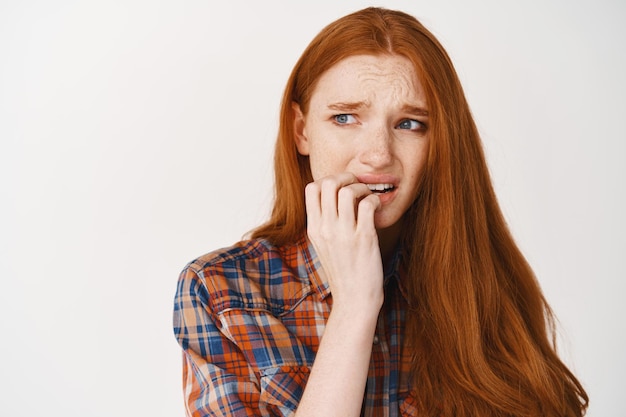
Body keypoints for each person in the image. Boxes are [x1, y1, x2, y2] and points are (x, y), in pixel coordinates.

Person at [173, 7, 588, 417]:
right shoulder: (221, 291)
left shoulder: (485, 284)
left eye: (409, 124)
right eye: (345, 117)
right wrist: (354, 306)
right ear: (302, 131)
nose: (377, 155)